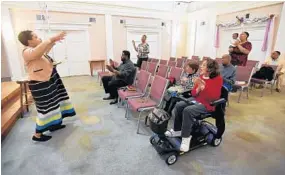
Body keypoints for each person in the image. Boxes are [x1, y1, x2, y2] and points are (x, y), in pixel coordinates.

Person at [18, 30, 76, 142]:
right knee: (45, 108)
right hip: (40, 84)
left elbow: (45, 50)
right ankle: (37, 134)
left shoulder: (37, 50)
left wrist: (53, 41)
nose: (38, 38)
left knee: (56, 103)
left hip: (50, 80)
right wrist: (51, 39)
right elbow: (37, 52)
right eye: (35, 37)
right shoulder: (27, 51)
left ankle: (54, 125)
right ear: (29, 41)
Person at [165, 58, 223, 152]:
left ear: (210, 68)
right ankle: (177, 130)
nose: (201, 66)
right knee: (179, 105)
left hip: (208, 104)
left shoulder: (218, 79)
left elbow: (213, 97)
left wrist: (203, 87)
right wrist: (198, 89)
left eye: (204, 65)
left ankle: (186, 138)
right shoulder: (201, 76)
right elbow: (193, 93)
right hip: (197, 99)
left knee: (188, 110)